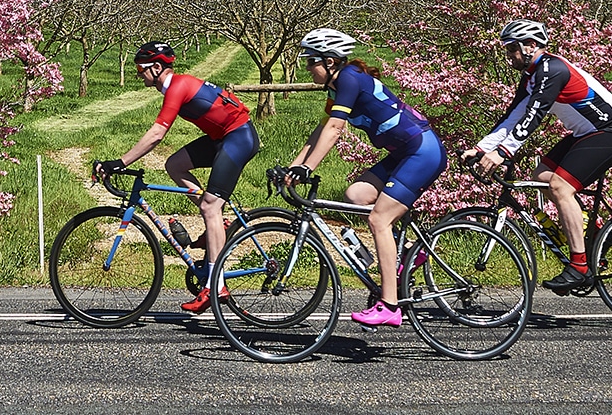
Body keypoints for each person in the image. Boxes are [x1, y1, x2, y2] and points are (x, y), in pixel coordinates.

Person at [283, 28, 447, 328]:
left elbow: (335, 130)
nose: (307, 67)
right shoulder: (336, 87)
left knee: (378, 220)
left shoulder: (349, 78)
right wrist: (294, 167)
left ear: (330, 61)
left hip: (422, 151)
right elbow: (321, 130)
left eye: (311, 61)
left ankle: (390, 306)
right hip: (404, 152)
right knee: (356, 195)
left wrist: (309, 168)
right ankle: (410, 252)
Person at [463, 18, 612, 294]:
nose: (508, 55)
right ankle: (596, 232)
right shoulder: (532, 76)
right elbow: (513, 116)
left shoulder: (552, 70)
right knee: (541, 176)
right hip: (587, 132)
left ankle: (579, 266)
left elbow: (534, 115)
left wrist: (504, 152)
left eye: (512, 48)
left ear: (531, 45)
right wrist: (482, 148)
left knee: (560, 186)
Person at [93, 40, 260, 314]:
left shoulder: (177, 87)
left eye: (141, 69)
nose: (138, 74)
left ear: (157, 68)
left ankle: (216, 286)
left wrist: (120, 162)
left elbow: (157, 134)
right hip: (222, 138)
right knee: (175, 165)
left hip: (238, 137)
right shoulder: (174, 86)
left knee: (210, 206)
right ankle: (219, 223)